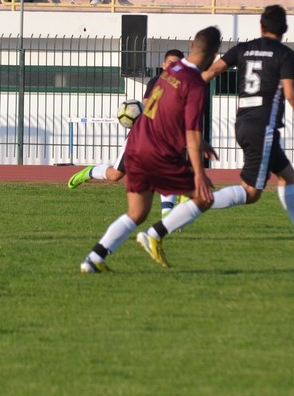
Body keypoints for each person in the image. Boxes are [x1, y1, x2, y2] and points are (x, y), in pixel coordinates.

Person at [79, 27, 222, 273]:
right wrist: (199, 172)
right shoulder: (195, 83)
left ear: (191, 46)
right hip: (157, 153)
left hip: (136, 145)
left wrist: (200, 143)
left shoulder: (171, 70)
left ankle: (93, 259)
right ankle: (154, 234)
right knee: (204, 196)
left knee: (137, 212)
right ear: (214, 54)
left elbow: (166, 111)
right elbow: (192, 131)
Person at [195, 5, 294, 250]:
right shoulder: (284, 54)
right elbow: (291, 94)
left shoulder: (243, 48)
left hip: (244, 123)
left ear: (261, 26)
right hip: (262, 127)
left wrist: (183, 89)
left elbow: (211, 71)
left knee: (287, 175)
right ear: (284, 28)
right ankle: (196, 201)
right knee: (251, 192)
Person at [68, 49, 187, 220]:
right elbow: (147, 107)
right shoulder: (157, 82)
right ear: (163, 65)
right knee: (115, 175)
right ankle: (89, 172)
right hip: (143, 135)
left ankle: (168, 215)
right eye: (170, 63)